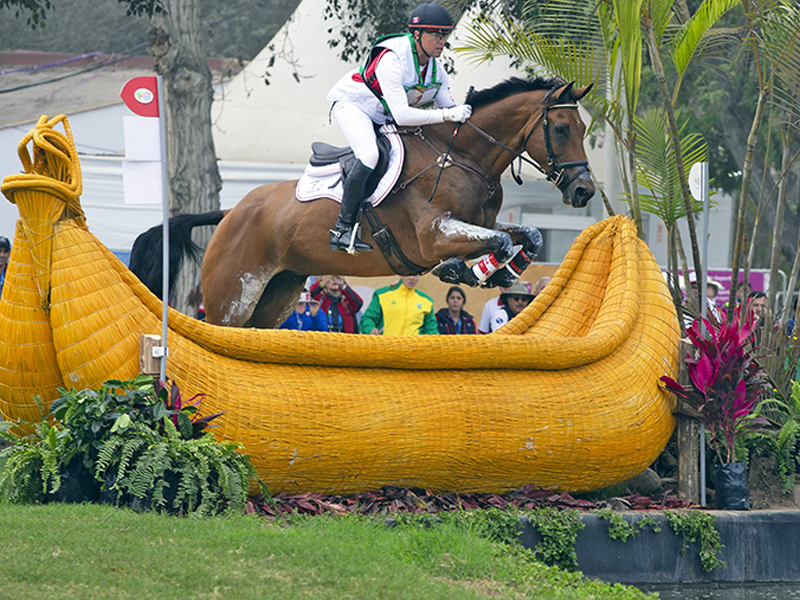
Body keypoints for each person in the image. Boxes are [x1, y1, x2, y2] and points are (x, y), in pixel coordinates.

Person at [325, 3, 472, 253]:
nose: (442, 41)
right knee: (369, 155)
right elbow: (402, 115)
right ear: (417, 34)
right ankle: (343, 229)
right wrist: (448, 114)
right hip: (354, 106)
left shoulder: (437, 71)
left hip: (383, 116)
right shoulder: (392, 59)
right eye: (436, 34)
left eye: (444, 35)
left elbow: (451, 114)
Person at [360, 275, 438, 335]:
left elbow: (431, 330)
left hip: (414, 351)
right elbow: (367, 318)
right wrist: (370, 329)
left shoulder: (427, 300)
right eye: (408, 274)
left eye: (415, 275)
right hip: (387, 348)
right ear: (401, 274)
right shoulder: (382, 294)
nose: (412, 278)